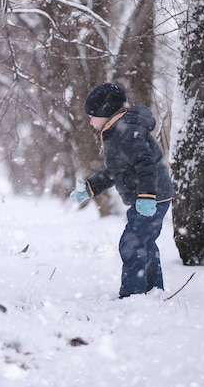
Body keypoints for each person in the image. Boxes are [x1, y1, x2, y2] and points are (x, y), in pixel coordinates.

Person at [70, 83, 173, 298]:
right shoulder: (117, 131)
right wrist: (90, 187)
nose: (90, 121)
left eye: (93, 115)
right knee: (145, 242)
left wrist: (146, 196)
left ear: (106, 112)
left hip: (151, 198)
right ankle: (153, 290)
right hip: (154, 197)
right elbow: (115, 171)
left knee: (132, 243)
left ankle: (133, 294)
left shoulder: (127, 132)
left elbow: (146, 164)